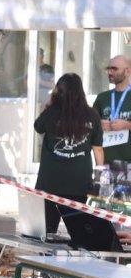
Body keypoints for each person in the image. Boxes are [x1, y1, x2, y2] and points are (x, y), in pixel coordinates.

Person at [35, 73, 104, 233]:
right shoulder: (92, 114)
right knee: (78, 229)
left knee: (48, 228)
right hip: (79, 181)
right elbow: (97, 147)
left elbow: (38, 127)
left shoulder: (51, 112)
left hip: (50, 180)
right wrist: (99, 177)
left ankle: (46, 257)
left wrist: (50, 104)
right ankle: (78, 257)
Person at [92, 55, 131, 164]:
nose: (110, 72)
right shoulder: (102, 97)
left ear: (128, 71)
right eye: (108, 69)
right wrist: (99, 124)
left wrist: (127, 125)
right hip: (105, 162)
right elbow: (89, 124)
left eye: (114, 69)